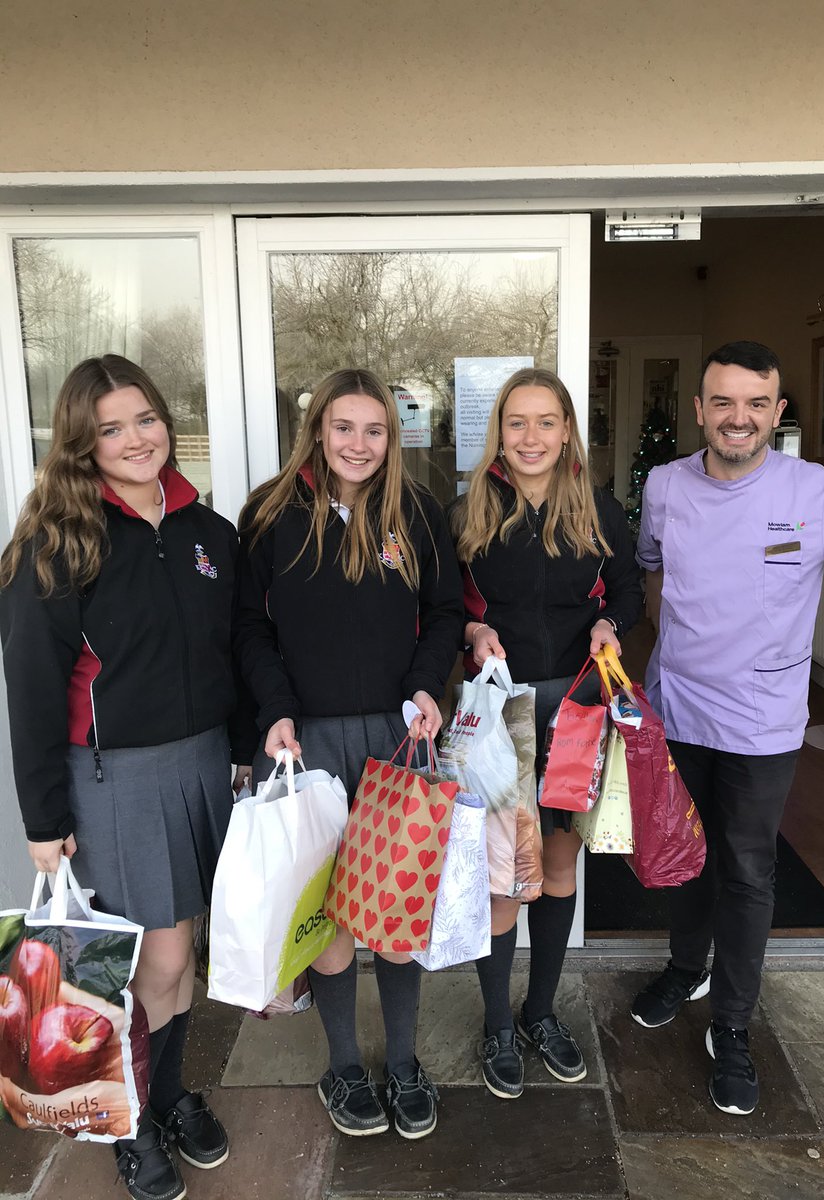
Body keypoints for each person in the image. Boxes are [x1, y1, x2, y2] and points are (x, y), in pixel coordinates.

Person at [0, 355, 254, 1200]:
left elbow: (234, 653)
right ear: (82, 443)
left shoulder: (209, 534)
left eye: (144, 419)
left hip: (204, 765)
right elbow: (34, 690)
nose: (135, 439)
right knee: (145, 960)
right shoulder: (56, 543)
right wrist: (42, 818)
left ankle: (169, 1094)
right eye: (110, 429)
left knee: (183, 956)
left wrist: (246, 747)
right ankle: (131, 1121)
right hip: (114, 781)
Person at [630, 340, 824, 1116]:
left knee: (747, 870)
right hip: (678, 706)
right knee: (680, 858)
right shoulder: (664, 485)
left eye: (756, 404)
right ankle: (687, 968)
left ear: (777, 412)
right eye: (723, 402)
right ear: (700, 410)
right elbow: (652, 569)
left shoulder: (814, 490)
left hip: (763, 720)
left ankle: (734, 1026)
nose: (738, 418)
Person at [234, 367, 462, 1140]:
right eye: (343, 428)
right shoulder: (269, 515)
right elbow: (250, 631)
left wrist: (431, 684)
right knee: (328, 918)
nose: (358, 444)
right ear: (318, 431)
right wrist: (276, 710)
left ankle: (402, 1062)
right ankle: (342, 1064)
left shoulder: (420, 515)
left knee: (395, 909)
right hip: (307, 742)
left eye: (374, 430)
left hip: (398, 740)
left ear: (391, 437)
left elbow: (443, 613)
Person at [450, 366, 642, 1099]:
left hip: (574, 707)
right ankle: (497, 1020)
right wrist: (470, 628)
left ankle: (540, 1012)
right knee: (506, 877)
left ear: (567, 431)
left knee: (558, 867)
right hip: (500, 709)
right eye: (517, 422)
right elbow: (441, 606)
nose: (531, 437)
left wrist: (609, 623)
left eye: (546, 422)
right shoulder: (468, 510)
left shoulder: (597, 506)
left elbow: (628, 590)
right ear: (499, 431)